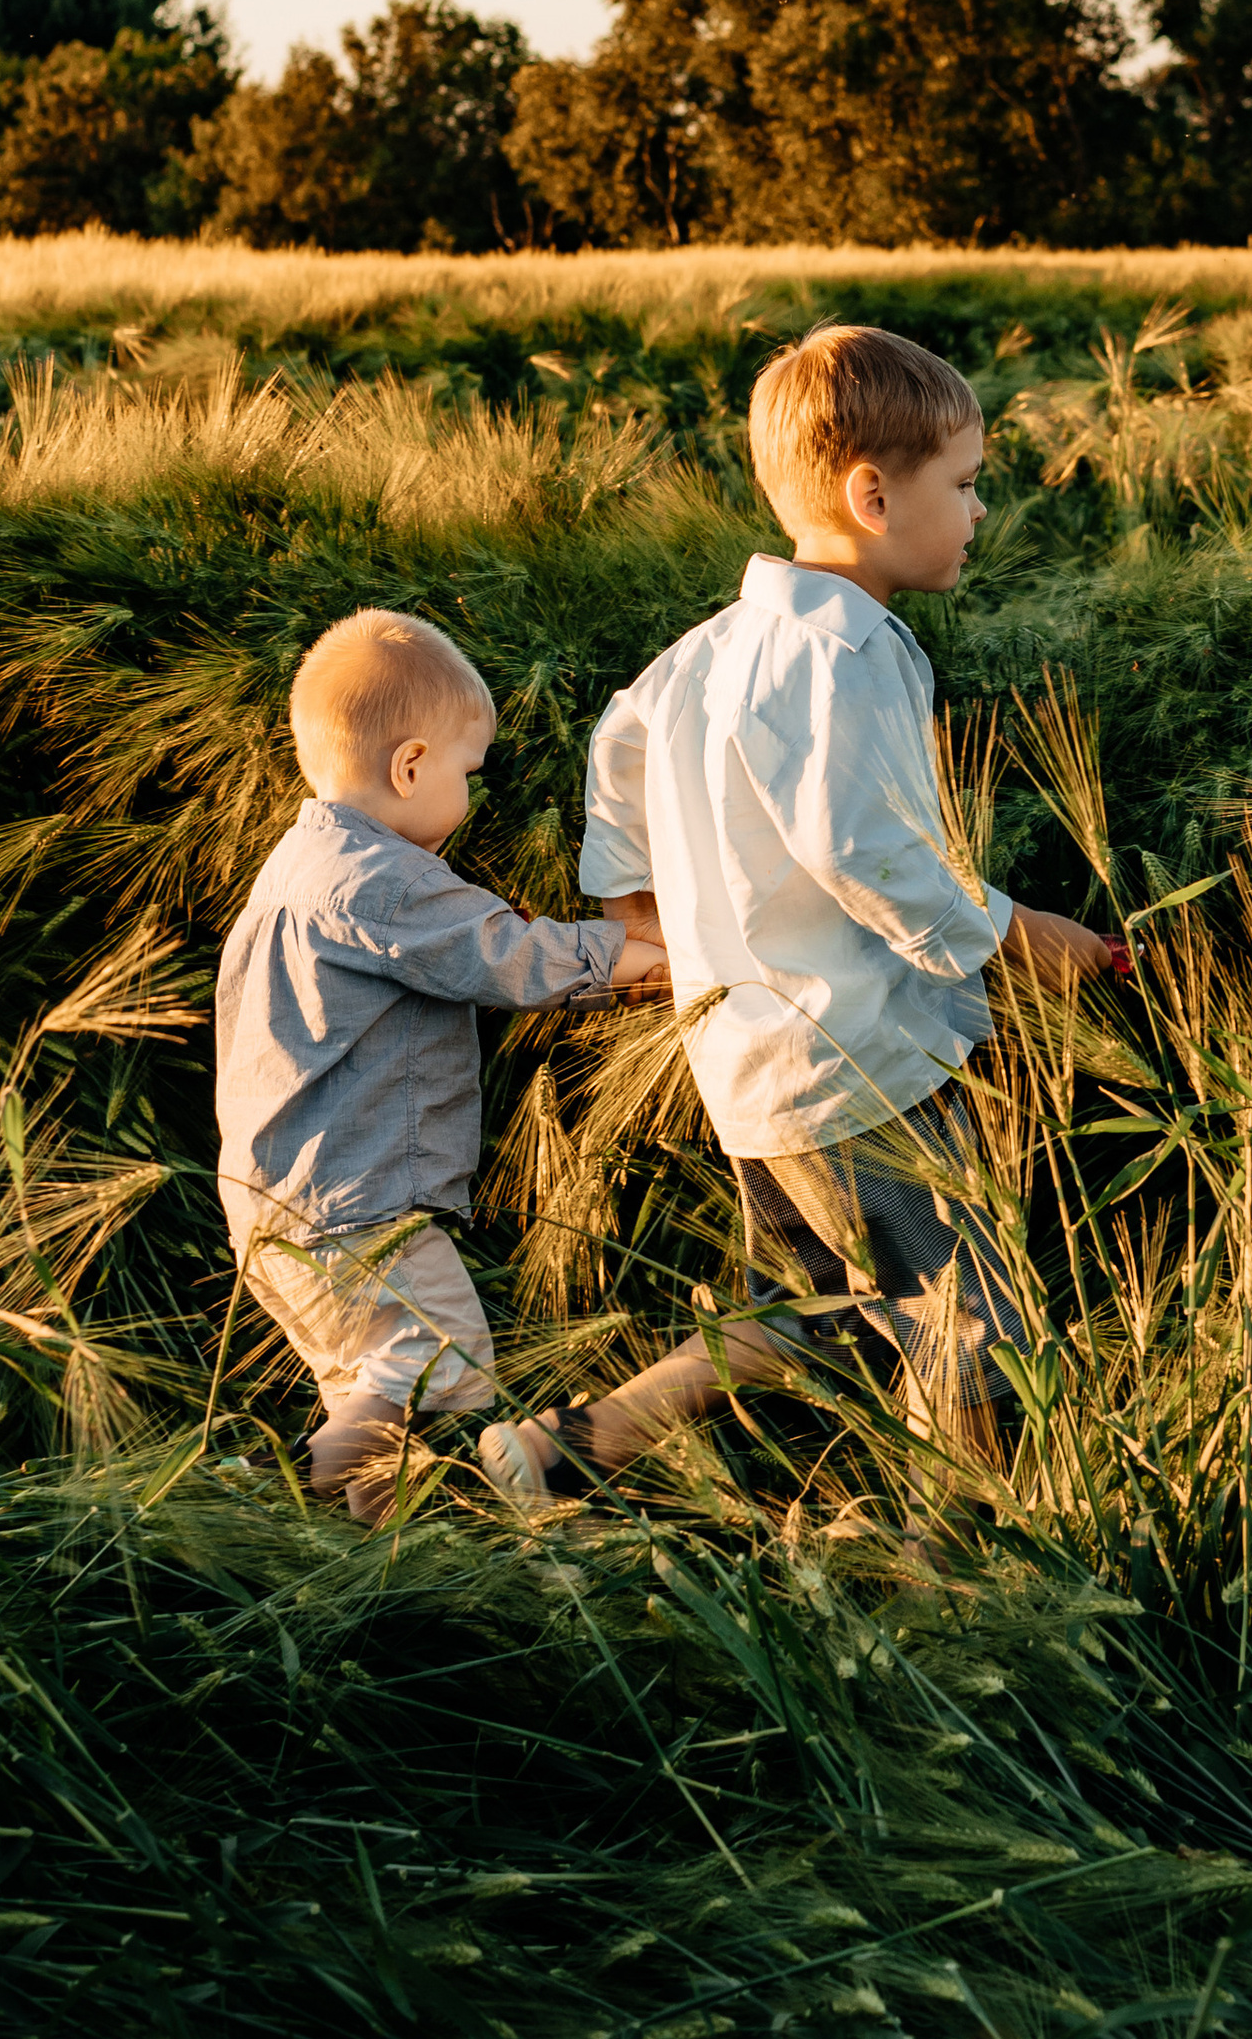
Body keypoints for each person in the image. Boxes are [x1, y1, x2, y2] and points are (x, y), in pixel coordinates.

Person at [494, 322, 1125, 1501]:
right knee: (970, 1328)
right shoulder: (850, 647)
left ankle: (561, 1451)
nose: (980, 511)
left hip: (748, 1064)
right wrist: (1016, 935)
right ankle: (958, 1570)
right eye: (967, 485)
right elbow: (866, 851)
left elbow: (616, 749)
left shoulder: (705, 651)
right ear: (873, 495)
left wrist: (639, 899)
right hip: (860, 1062)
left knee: (810, 1316)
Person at [213, 603, 670, 1525]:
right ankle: (257, 1503)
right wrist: (645, 959)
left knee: (375, 1392)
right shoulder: (376, 879)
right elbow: (502, 953)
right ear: (410, 765)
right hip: (355, 1205)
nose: (470, 795)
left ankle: (374, 1562)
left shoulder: (296, 867)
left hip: (281, 1201)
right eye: (467, 772)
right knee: (443, 1364)